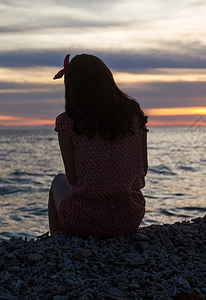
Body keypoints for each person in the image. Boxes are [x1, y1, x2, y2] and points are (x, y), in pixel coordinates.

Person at [48, 54, 148, 238]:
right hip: (129, 219)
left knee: (58, 181)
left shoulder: (67, 122)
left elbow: (72, 178)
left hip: (84, 221)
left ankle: (57, 241)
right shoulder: (134, 116)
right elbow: (143, 170)